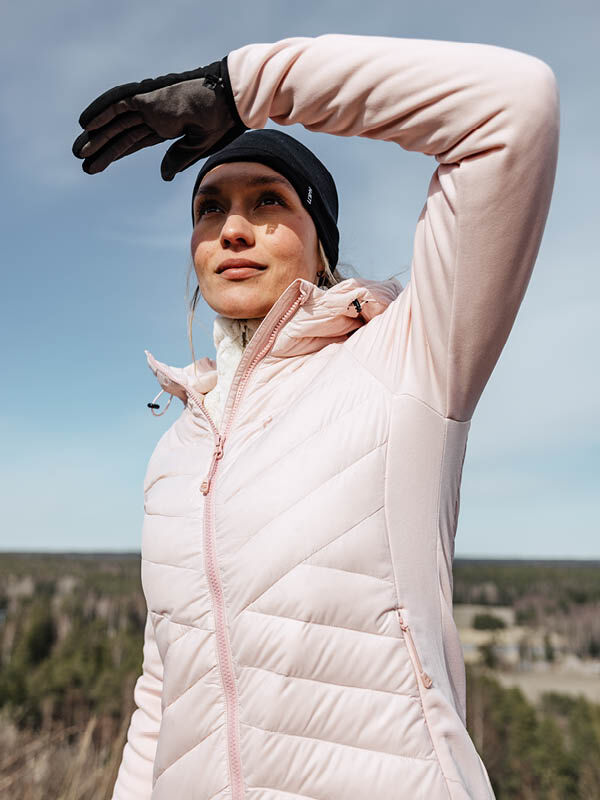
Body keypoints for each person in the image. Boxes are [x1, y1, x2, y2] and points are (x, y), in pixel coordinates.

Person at [72, 32, 559, 800]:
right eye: (211, 208)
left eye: (269, 201)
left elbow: (513, 107)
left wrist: (245, 87)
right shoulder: (177, 451)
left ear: (320, 244)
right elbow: (164, 690)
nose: (233, 228)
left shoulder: (408, 363)